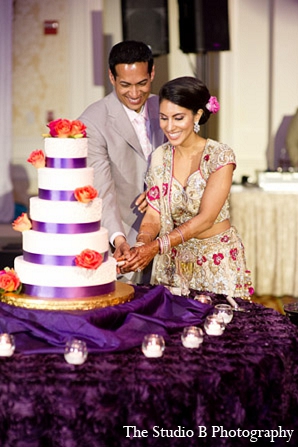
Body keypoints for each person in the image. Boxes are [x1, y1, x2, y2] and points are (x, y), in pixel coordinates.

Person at [119, 76, 253, 299]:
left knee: (222, 331)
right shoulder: (160, 156)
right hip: (172, 266)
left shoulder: (219, 156)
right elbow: (153, 215)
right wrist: (141, 245)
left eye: (178, 118)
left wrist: (155, 247)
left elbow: (206, 219)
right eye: (163, 118)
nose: (169, 127)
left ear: (197, 115)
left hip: (215, 263)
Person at [78, 41, 166, 282]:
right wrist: (119, 239)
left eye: (142, 83)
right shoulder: (93, 120)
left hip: (170, 239)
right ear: (111, 77)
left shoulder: (166, 107)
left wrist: (161, 193)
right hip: (123, 236)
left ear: (152, 73)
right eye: (125, 85)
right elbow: (102, 189)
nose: (135, 93)